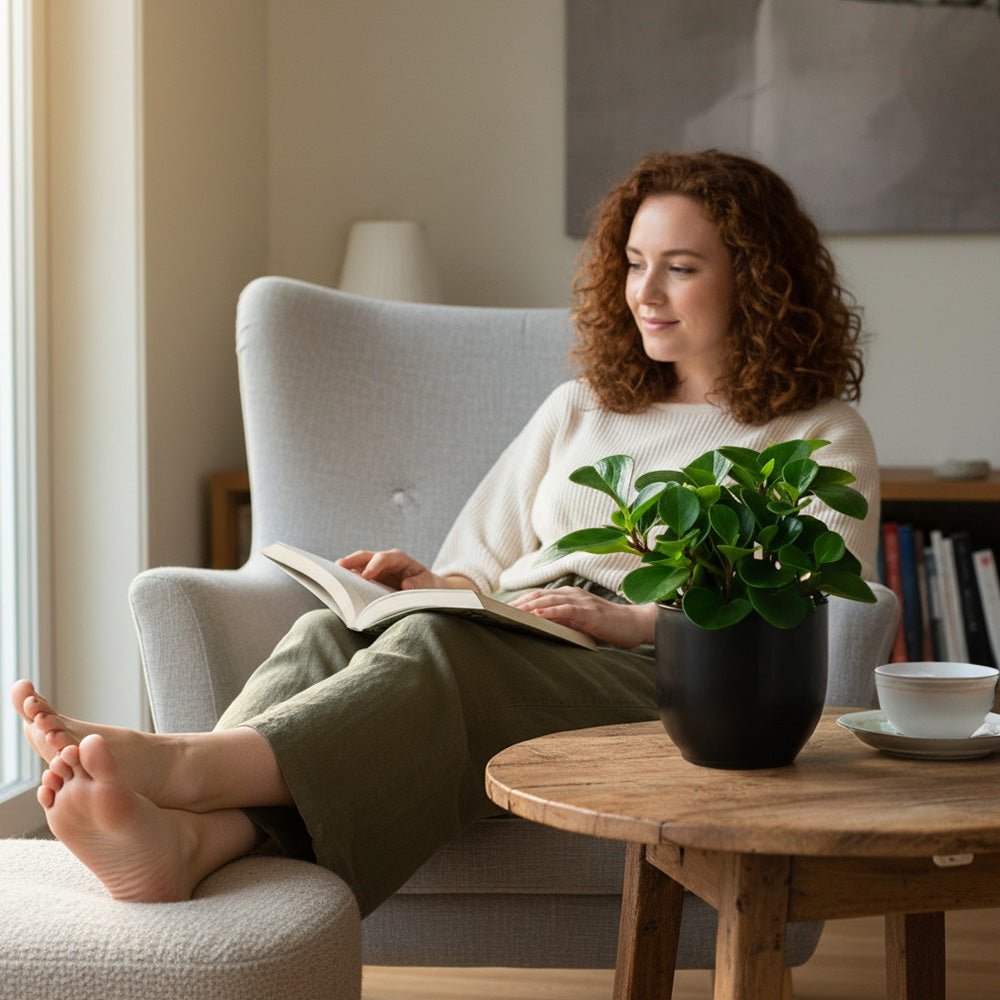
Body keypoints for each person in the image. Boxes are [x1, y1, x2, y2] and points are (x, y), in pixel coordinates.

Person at [10, 149, 880, 912]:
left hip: (666, 674)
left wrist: (639, 619)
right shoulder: (581, 407)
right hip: (520, 628)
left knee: (438, 653)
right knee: (326, 632)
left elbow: (812, 605)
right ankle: (194, 843)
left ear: (757, 278)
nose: (644, 293)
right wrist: (431, 586)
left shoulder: (816, 433)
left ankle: (181, 767)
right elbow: (480, 564)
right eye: (634, 262)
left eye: (680, 268)